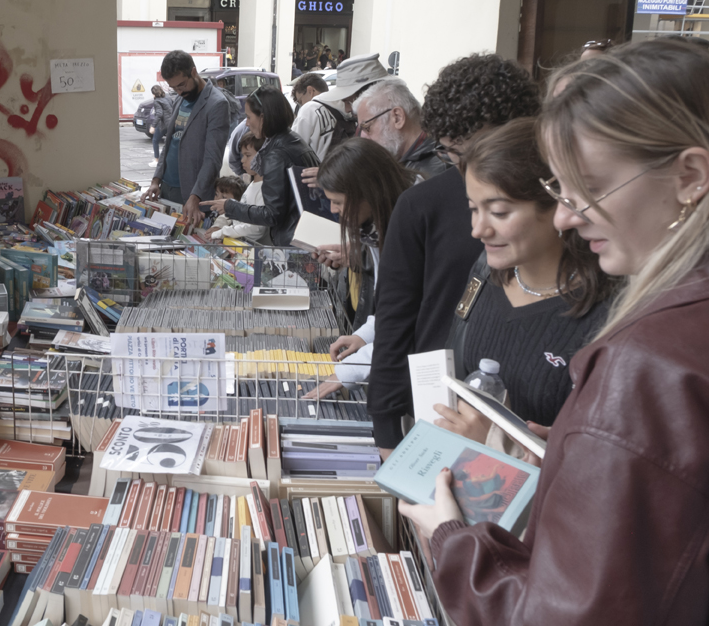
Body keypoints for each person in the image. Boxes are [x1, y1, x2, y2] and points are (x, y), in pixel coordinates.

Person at [403, 38, 709, 625]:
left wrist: (452, 539)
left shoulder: (647, 360)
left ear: (690, 175)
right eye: (561, 192)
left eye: (589, 188)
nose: (569, 216)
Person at [365, 54, 540, 454]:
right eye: (452, 155)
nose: (469, 172)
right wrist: (387, 427)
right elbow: (395, 318)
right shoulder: (421, 205)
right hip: (438, 407)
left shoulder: (560, 212)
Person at [430, 117, 613, 449]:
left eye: (499, 213)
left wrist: (501, 446)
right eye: (473, 209)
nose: (479, 229)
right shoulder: (486, 270)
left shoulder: (606, 316)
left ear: (559, 206)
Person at [307, 139, 415, 398]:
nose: (334, 210)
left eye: (339, 202)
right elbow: (393, 303)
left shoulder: (409, 227)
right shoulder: (378, 228)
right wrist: (366, 335)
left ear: (368, 192)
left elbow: (408, 314)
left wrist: (349, 371)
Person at [207, 86, 316, 246]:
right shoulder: (293, 140)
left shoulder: (276, 154)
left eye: (249, 117)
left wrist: (231, 206)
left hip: (291, 239)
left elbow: (272, 214)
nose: (247, 122)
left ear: (263, 118)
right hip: (304, 233)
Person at [143, 50, 233, 227]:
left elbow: (212, 158)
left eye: (182, 85)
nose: (179, 91)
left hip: (192, 193)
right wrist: (156, 180)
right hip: (167, 188)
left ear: (194, 72)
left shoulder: (217, 104)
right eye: (174, 87)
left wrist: (196, 195)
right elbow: (169, 144)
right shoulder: (179, 98)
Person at [294, 53, 384, 166]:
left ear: (310, 91)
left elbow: (294, 152)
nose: (348, 108)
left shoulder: (309, 110)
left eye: (300, 101)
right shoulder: (370, 114)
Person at [353, 77, 447, 179]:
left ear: (397, 117)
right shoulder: (432, 153)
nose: (362, 137)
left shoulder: (430, 173)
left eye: (366, 127)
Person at [210, 136, 268, 243]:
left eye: (248, 155)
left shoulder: (265, 189)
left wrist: (223, 232)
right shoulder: (252, 185)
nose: (242, 160)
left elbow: (256, 229)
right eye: (243, 155)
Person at [147, 84, 175, 168]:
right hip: (172, 122)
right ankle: (169, 159)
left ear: (154, 94)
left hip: (164, 124)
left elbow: (159, 114)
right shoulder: (167, 97)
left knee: (155, 140)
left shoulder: (157, 101)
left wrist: (153, 126)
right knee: (170, 142)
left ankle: (157, 160)